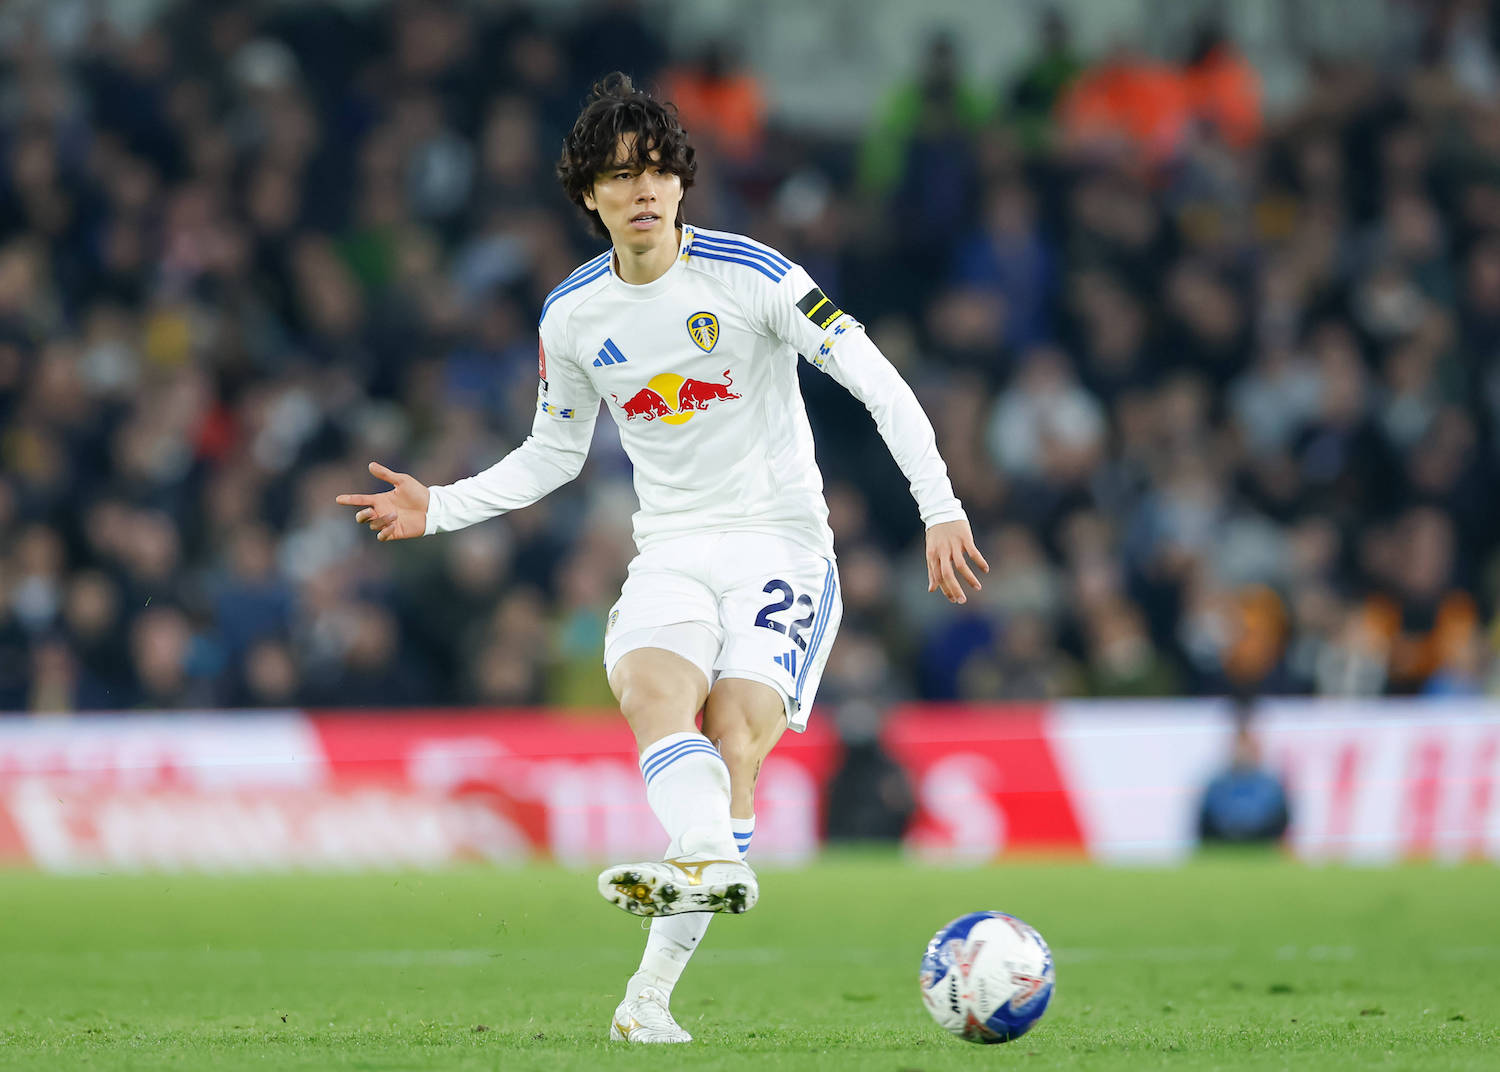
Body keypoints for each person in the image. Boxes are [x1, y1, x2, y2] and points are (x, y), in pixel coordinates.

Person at [334, 74, 986, 1044]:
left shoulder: (753, 275)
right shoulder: (573, 317)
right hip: (673, 548)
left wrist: (937, 503)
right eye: (617, 175)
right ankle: (687, 894)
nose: (642, 189)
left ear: (682, 183)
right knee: (648, 690)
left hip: (782, 544)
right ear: (588, 198)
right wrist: (441, 510)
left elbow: (877, 379)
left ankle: (654, 978)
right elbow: (553, 452)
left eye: (655, 171)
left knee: (736, 738)